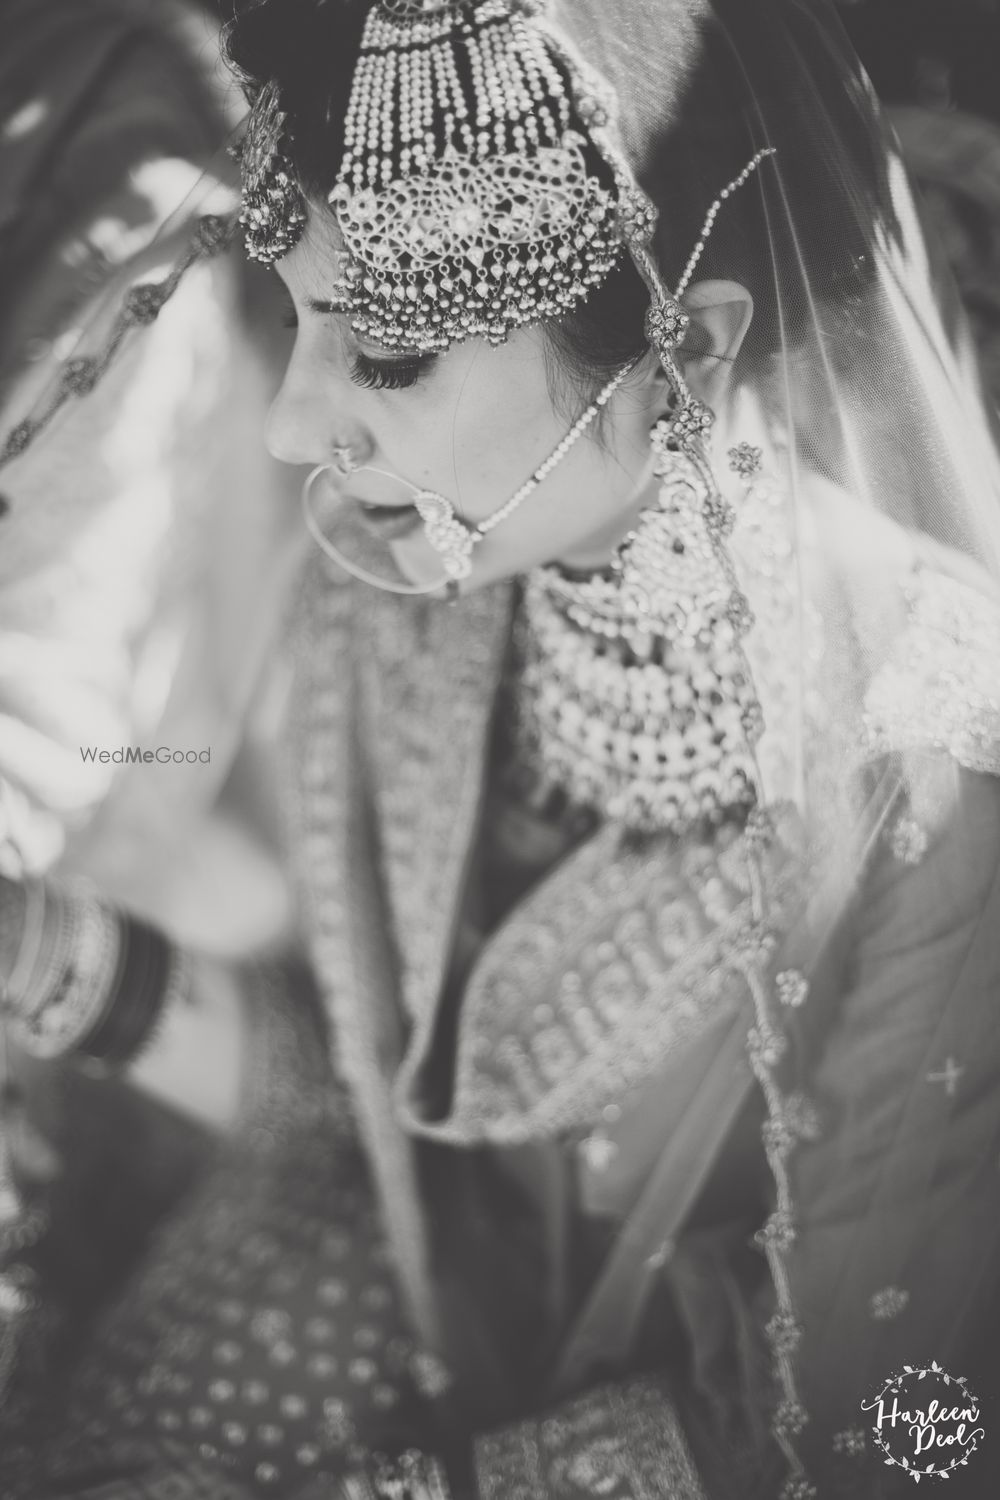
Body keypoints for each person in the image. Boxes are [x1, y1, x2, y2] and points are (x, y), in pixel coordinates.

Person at [2, 2, 1000, 1498]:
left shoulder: (934, 763)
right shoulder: (407, 598)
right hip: (363, 1296)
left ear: (690, 352)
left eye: (390, 353)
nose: (289, 429)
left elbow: (894, 1428)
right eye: (296, 321)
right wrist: (36, 952)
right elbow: (365, 1115)